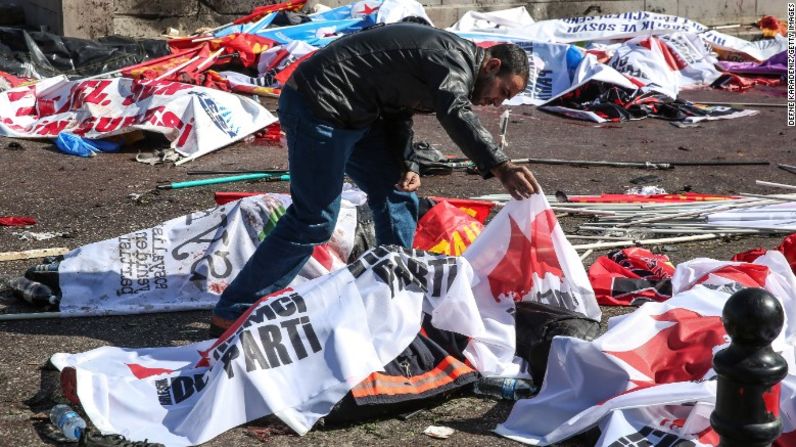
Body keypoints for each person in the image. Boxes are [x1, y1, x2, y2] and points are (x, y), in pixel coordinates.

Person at [210, 21, 540, 335]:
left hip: (360, 114)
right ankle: (234, 312)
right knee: (314, 220)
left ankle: (390, 299)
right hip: (318, 106)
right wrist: (500, 165)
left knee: (398, 194)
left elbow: (398, 112)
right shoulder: (451, 60)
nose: (498, 102)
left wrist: (407, 164)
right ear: (492, 66)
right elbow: (455, 111)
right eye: (504, 91)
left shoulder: (451, 64)